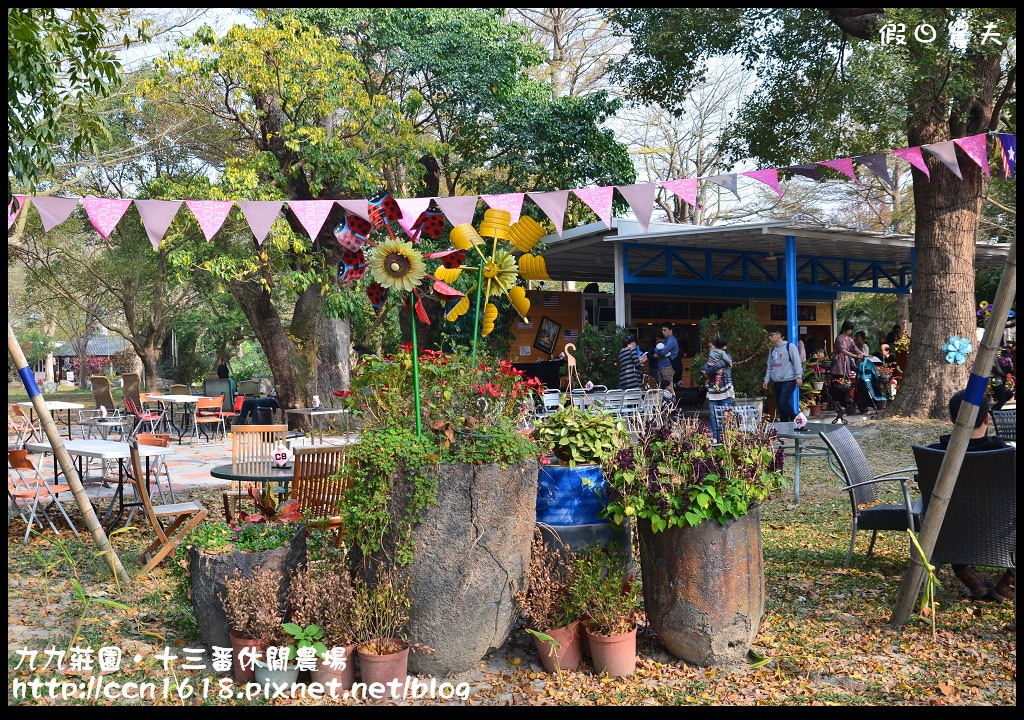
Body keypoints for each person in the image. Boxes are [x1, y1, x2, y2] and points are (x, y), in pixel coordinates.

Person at [928, 390, 1014, 603]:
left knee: (951, 516)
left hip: (952, 534)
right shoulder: (1006, 455)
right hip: (1003, 534)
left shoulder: (934, 454)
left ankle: (973, 580)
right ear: (987, 418)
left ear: (952, 419)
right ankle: (1007, 584)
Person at [763, 327, 803, 422]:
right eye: (769, 335)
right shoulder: (772, 350)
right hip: (777, 382)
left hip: (789, 380)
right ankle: (785, 426)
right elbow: (770, 366)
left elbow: (797, 362)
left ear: (779, 335)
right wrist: (766, 379)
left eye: (772, 335)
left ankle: (798, 420)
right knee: (780, 406)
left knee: (783, 402)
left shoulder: (789, 347)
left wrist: (799, 376)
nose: (770, 337)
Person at [704, 337, 734, 441]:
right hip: (713, 391)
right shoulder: (711, 356)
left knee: (727, 415)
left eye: (712, 345)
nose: (711, 348)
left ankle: (727, 437)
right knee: (713, 415)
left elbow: (710, 369)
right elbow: (705, 369)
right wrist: (713, 371)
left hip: (725, 389)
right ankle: (716, 437)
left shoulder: (727, 355)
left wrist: (711, 371)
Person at [652, 323, 679, 389]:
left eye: (665, 330)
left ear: (670, 330)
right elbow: (657, 349)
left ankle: (671, 399)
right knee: (661, 388)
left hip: (667, 366)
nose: (663, 332)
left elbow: (663, 351)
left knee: (668, 388)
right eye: (662, 330)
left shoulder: (671, 340)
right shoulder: (666, 340)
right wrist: (659, 350)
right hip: (662, 366)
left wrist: (658, 352)